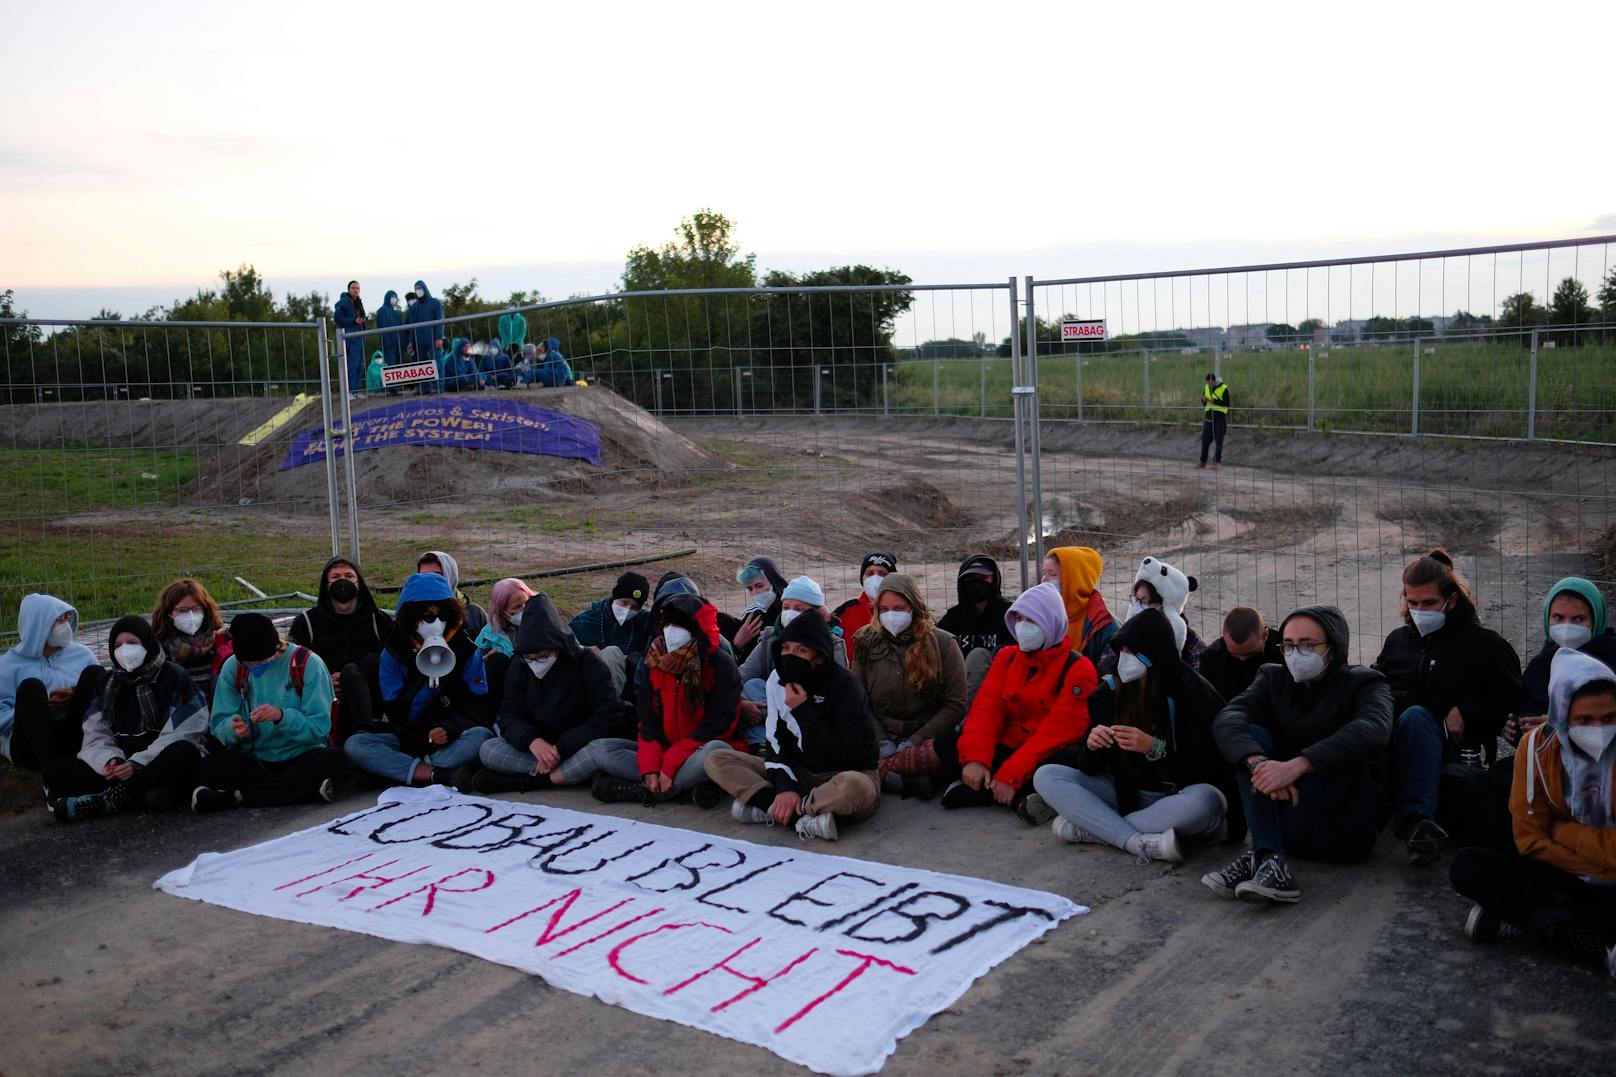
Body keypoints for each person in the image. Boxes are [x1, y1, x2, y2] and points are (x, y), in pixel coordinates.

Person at [1204, 605, 1392, 904]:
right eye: (1289, 645)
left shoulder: (1366, 683)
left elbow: (1373, 729)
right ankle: (1267, 857)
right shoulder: (1271, 677)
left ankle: (1263, 855)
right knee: (1251, 739)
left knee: (1345, 747)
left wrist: (1299, 765)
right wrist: (1260, 764)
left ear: (1333, 647)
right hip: (1286, 816)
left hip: (1341, 826)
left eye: (1308, 645)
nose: (1296, 653)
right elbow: (1229, 718)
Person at [1449, 650, 1616, 977]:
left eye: (1609, 718)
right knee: (1467, 866)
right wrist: (1594, 861)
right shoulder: (1537, 748)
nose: (1598, 729)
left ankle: (1531, 922)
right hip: (1565, 872)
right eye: (1584, 720)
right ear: (1561, 714)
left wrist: (1564, 832)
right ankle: (1583, 941)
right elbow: (1529, 839)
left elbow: (1550, 835)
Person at [1033, 607, 1229, 862]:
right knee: (1047, 775)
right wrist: (1092, 746)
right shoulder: (1110, 692)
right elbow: (1088, 767)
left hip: (1173, 798)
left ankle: (1097, 828)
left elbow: (1205, 767)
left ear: (1153, 653)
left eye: (1131, 651)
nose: (1124, 658)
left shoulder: (1189, 692)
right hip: (1122, 793)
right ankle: (1136, 841)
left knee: (1208, 802)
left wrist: (1155, 748)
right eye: (1121, 651)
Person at [1375, 549, 1522, 865]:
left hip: (1451, 749)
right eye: (1412, 603)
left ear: (1451, 600)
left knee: (1416, 718)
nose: (1419, 611)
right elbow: (1378, 688)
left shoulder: (1485, 645)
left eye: (1428, 603)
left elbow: (1510, 700)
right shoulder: (1398, 641)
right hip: (1393, 742)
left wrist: (1467, 710)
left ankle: (1418, 823)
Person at [910, 582, 1096, 816]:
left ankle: (988, 790)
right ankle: (1009, 794)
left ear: (1051, 622)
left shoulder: (1078, 668)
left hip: (1042, 754)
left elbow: (1057, 732)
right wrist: (976, 760)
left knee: (1065, 762)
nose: (1023, 628)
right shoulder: (1007, 657)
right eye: (1019, 619)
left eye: (1032, 621)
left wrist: (1012, 774)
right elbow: (986, 710)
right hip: (1005, 747)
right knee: (947, 742)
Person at [706, 608, 881, 841]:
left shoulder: (844, 685)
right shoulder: (777, 681)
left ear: (818, 656)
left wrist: (803, 710)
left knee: (856, 787)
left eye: (801, 650)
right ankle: (788, 813)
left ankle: (786, 808)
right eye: (786, 648)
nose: (791, 656)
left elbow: (847, 753)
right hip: (798, 770)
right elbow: (775, 745)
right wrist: (785, 787)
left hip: (842, 772)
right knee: (717, 759)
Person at [45, 616, 206, 821]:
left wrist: (137, 763)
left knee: (184, 751)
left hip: (156, 760)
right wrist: (110, 760)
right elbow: (96, 732)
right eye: (118, 645)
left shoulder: (174, 676)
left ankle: (111, 799)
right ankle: (142, 794)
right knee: (54, 771)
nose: (125, 651)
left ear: (147, 643)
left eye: (132, 643)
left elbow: (186, 730)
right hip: (123, 764)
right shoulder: (106, 683)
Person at [589, 592, 743, 805]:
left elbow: (720, 725)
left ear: (697, 630)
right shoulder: (656, 662)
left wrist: (672, 762)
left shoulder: (719, 664)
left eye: (680, 627)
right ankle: (680, 789)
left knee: (715, 753)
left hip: (700, 750)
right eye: (668, 625)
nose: (671, 632)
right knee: (603, 750)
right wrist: (651, 767)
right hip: (665, 749)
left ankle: (649, 792)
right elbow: (647, 722)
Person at [472, 594, 635, 793]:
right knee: (489, 750)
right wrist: (532, 741)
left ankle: (535, 781)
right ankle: (563, 777)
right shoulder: (520, 665)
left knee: (602, 752)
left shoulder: (586, 662)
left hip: (581, 744)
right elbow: (509, 714)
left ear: (557, 645)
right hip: (542, 750)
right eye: (530, 658)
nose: (535, 663)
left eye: (542, 656)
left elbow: (608, 715)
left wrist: (562, 747)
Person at [344, 572, 494, 787]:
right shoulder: (394, 652)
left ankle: (409, 771)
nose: (436, 623)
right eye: (427, 617)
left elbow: (479, 706)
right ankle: (439, 773)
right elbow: (397, 715)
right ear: (411, 617)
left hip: (452, 737)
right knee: (356, 745)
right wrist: (426, 681)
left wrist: (449, 728)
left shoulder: (466, 649)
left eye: (442, 616)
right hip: (411, 737)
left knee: (482, 737)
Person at [191, 612, 346, 812]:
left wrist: (281, 716)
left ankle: (237, 797)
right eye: (249, 664)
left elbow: (319, 728)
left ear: (276, 647)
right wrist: (233, 729)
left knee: (334, 760)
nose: (256, 667)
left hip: (302, 753)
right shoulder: (233, 667)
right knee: (206, 768)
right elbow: (219, 723)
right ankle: (304, 790)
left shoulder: (307, 663)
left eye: (262, 662)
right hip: (255, 758)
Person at [855, 573, 967, 798]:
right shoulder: (865, 642)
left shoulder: (943, 643)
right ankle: (907, 780)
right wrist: (881, 740)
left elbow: (956, 705)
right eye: (884, 610)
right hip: (879, 736)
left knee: (950, 749)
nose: (891, 615)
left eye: (899, 608)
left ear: (914, 607)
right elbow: (858, 701)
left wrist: (915, 741)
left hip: (926, 737)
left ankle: (887, 774)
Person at [0, 594, 105, 793]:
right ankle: (52, 779)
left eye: (66, 618)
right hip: (31, 746)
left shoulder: (82, 654)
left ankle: (95, 757)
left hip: (75, 734)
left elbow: (103, 693)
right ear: (38, 626)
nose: (65, 625)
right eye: (58, 620)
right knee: (31, 688)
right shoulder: (6, 666)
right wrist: (37, 708)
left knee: (95, 674)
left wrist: (74, 695)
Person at [736, 576, 849, 750]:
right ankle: (761, 748)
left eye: (799, 608)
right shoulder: (770, 638)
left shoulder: (832, 644)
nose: (790, 613)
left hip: (813, 714)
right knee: (753, 686)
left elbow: (837, 695)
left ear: (816, 612)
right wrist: (741, 704)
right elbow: (741, 676)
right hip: (771, 709)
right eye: (786, 607)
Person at [287, 557, 392, 742]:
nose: (342, 581)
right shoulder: (306, 623)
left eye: (349, 576)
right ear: (326, 585)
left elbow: (396, 663)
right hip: (325, 701)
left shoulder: (380, 620)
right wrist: (324, 684)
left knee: (366, 664)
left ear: (359, 583)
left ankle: (367, 731)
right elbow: (292, 667)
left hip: (372, 697)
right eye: (335, 577)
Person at [1520, 577, 1616, 720]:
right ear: (1548, 619)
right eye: (1558, 617)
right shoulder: (1541, 665)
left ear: (1597, 619)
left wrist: (1559, 724)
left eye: (1579, 619)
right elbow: (1527, 712)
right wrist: (1518, 730)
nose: (1567, 628)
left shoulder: (1612, 659)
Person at [937, 554, 1015, 705]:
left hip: (998, 685)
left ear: (994, 580)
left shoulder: (1008, 614)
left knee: (978, 656)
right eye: (971, 578)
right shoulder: (954, 616)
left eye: (982, 577)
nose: (976, 583)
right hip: (958, 684)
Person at [1117, 556, 1205, 671]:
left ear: (1164, 605)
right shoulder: (1129, 642)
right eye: (1138, 600)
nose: (1139, 608)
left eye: (1146, 601)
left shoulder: (1193, 648)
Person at [150, 578, 232, 700]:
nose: (191, 615)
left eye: (196, 608)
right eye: (182, 610)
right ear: (168, 613)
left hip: (218, 712)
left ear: (205, 609)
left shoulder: (220, 643)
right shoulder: (158, 650)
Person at [1042, 546, 1117, 666]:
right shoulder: (1040, 614)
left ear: (1074, 579)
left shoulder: (1101, 625)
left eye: (1052, 574)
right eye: (1044, 573)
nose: (1045, 579)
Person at [1198, 607, 1284, 705]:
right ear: (1224, 638)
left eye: (1250, 654)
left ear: (1265, 635)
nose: (1243, 659)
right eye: (1235, 654)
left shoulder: (1284, 651)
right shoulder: (1211, 660)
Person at [473, 576, 535, 699]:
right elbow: (475, 666)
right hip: (505, 689)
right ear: (502, 612)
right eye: (517, 607)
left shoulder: (544, 622)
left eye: (526, 603)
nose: (524, 609)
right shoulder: (488, 634)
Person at [833, 552, 897, 665]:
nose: (875, 578)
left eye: (882, 573)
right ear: (863, 578)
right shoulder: (846, 611)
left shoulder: (904, 611)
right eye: (870, 573)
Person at [728, 555, 787, 664]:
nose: (754, 593)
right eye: (750, 588)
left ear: (774, 582)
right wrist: (736, 644)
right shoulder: (751, 614)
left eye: (759, 586)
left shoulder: (791, 608)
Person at [417, 550, 489, 639]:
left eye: (436, 576)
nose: (430, 581)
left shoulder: (474, 614)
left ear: (450, 576)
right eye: (424, 577)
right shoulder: (412, 613)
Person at [334, 280, 367, 397]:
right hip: (350, 338)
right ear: (348, 289)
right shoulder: (343, 302)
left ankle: (356, 390)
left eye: (358, 288)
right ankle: (350, 391)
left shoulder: (358, 302)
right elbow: (337, 318)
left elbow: (361, 317)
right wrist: (353, 321)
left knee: (359, 365)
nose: (356, 290)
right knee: (352, 365)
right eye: (353, 288)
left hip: (359, 336)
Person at [405, 280, 445, 376]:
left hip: (433, 339)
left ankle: (438, 387)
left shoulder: (435, 303)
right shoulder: (415, 306)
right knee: (422, 366)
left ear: (424, 288)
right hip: (419, 341)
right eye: (416, 289)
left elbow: (440, 320)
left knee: (436, 363)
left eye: (419, 288)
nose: (418, 291)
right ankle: (425, 388)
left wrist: (439, 337)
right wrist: (411, 341)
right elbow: (412, 325)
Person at [1200, 371, 1230, 468]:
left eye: (1210, 383)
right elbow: (1204, 402)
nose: (1209, 385)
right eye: (1207, 383)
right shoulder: (1206, 388)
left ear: (1214, 381)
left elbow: (1227, 404)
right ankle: (1203, 462)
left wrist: (1214, 401)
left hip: (1219, 419)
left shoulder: (1224, 388)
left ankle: (1217, 463)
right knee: (1205, 441)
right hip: (1208, 418)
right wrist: (1203, 400)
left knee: (1219, 441)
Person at [376, 289, 406, 367]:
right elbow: (382, 327)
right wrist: (387, 341)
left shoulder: (396, 313)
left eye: (395, 297)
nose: (394, 299)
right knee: (390, 367)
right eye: (392, 297)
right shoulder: (382, 311)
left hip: (399, 345)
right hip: (388, 346)